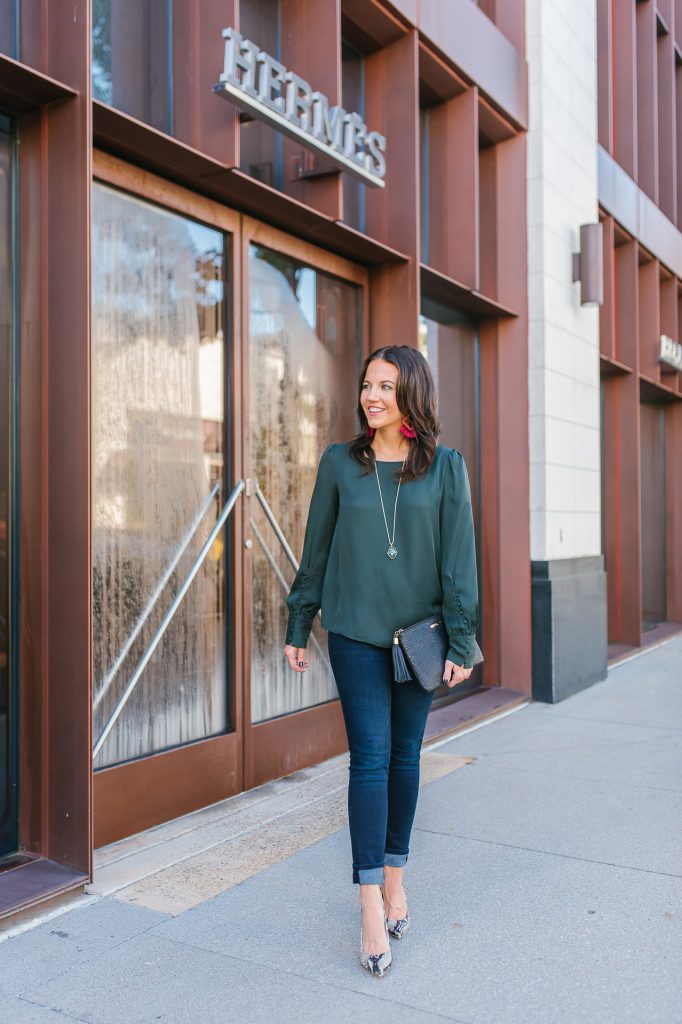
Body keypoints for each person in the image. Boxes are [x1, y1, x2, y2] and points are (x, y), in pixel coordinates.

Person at [283, 344, 480, 977]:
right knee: (369, 759)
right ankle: (370, 903)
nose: (371, 396)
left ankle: (397, 875)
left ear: (411, 395)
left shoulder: (446, 467)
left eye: (386, 387)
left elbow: (458, 563)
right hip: (355, 635)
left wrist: (462, 640)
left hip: (418, 638)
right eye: (367, 385)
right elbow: (315, 549)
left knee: (404, 757)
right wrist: (298, 620)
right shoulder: (340, 463)